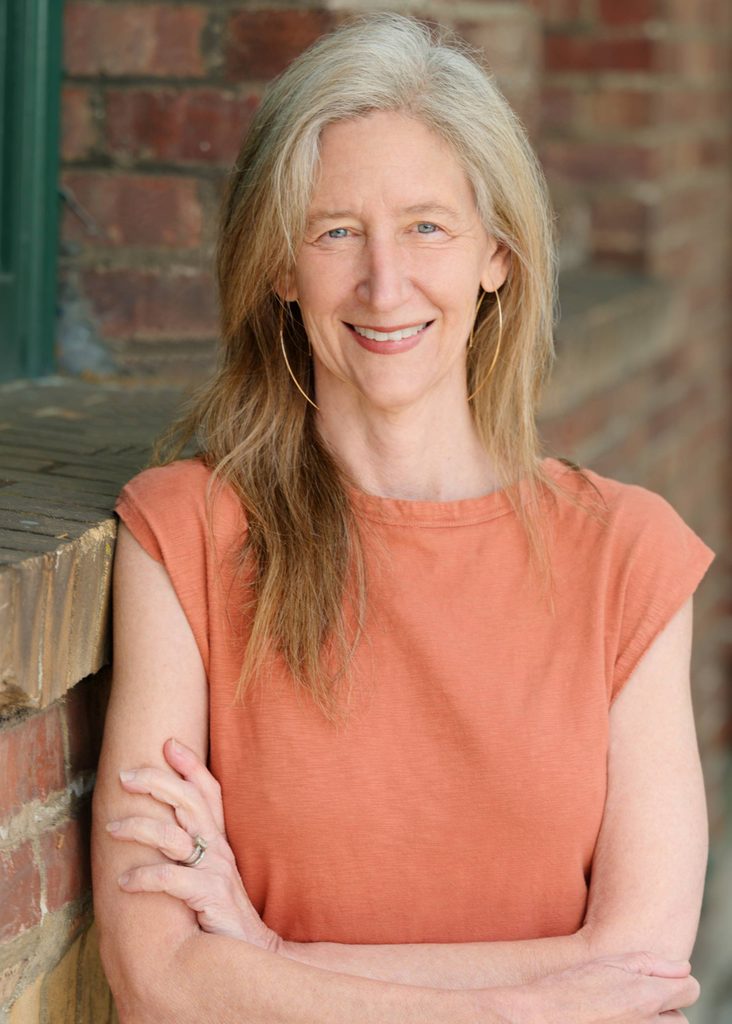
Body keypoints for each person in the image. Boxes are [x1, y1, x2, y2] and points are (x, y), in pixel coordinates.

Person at [91, 13, 713, 1023]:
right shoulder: (183, 537)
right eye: (336, 230)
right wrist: (533, 1008)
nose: (386, 283)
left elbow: (640, 962)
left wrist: (273, 955)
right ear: (281, 269)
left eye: (428, 225)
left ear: (496, 254)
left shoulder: (627, 558)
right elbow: (163, 981)